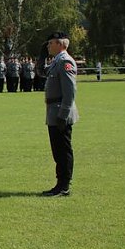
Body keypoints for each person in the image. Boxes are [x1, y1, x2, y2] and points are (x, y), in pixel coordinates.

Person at [37, 32, 79, 197]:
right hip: (54, 111)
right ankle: (60, 184)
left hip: (61, 111)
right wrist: (41, 57)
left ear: (60, 44)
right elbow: (41, 72)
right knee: (57, 150)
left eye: (50, 43)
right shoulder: (56, 61)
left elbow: (70, 92)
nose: (48, 46)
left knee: (63, 150)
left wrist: (63, 114)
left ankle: (64, 185)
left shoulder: (65, 61)